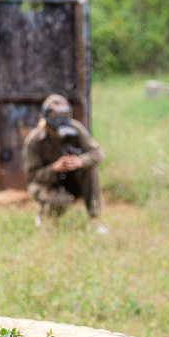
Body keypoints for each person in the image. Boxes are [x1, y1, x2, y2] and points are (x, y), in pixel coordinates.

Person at [24, 94, 107, 234]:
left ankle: (94, 219)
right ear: (46, 115)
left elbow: (96, 154)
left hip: (71, 179)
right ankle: (44, 214)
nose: (60, 119)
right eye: (55, 114)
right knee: (62, 200)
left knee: (90, 169)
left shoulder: (76, 128)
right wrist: (54, 168)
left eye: (63, 114)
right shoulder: (35, 139)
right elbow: (33, 176)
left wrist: (79, 161)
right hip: (47, 184)